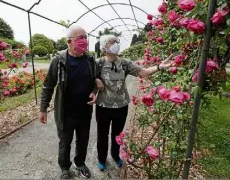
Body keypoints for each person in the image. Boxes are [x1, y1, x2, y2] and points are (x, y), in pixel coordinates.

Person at [95, 35, 174, 171]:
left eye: (116, 42)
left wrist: (159, 66)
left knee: (117, 134)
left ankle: (115, 155)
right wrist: (95, 80)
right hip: (103, 106)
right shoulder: (98, 63)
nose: (115, 44)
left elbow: (143, 72)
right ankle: (102, 159)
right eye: (111, 42)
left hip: (121, 106)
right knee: (102, 135)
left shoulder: (125, 63)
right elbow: (86, 77)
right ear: (104, 47)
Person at [39, 26, 97, 179]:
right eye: (80, 38)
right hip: (65, 112)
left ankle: (80, 163)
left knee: (83, 140)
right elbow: (48, 85)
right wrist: (43, 108)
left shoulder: (90, 60)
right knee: (65, 142)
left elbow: (95, 81)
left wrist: (94, 91)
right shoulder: (59, 60)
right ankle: (65, 168)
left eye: (85, 37)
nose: (84, 41)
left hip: (85, 111)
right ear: (69, 42)